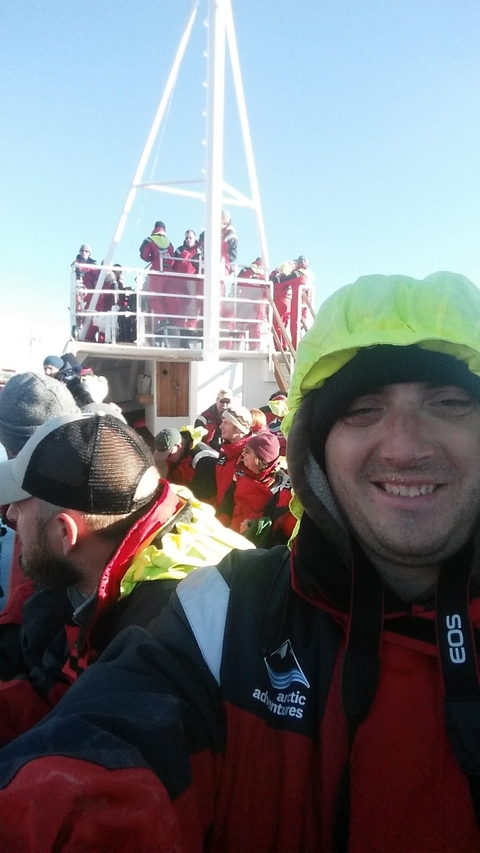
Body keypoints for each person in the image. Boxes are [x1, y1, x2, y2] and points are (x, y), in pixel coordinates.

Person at [4, 271, 480, 852]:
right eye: (361, 410)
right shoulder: (218, 616)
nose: (405, 446)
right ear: (316, 453)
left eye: (450, 403)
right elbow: (89, 765)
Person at [0, 411, 252, 746]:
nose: (11, 514)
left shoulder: (155, 638)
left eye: (21, 504)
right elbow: (54, 686)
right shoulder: (144, 526)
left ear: (65, 533)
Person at [218, 430, 295, 545]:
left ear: (260, 459)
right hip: (230, 540)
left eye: (248, 452)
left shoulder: (280, 486)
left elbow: (275, 525)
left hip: (256, 546)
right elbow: (225, 509)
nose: (243, 454)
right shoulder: (239, 476)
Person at [153, 426, 218, 502]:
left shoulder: (204, 459)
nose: (167, 459)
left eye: (169, 455)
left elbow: (207, 497)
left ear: (178, 446)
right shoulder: (176, 455)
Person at [139, 221, 175, 330]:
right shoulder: (169, 242)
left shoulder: (150, 240)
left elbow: (143, 254)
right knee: (168, 298)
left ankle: (163, 320)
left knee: (153, 297)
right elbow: (173, 259)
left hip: (157, 270)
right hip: (170, 272)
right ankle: (172, 320)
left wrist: (152, 258)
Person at [270, 254, 311, 349]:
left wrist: (274, 274)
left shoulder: (297, 274)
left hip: (296, 300)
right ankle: (296, 346)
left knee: (294, 324)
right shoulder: (308, 274)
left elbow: (282, 280)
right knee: (299, 324)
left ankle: (294, 348)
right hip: (304, 302)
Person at [215, 404, 253, 506]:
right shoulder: (225, 451)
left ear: (239, 429)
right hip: (220, 514)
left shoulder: (250, 456)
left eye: (226, 423)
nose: (220, 426)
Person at [235, 257, 269, 350]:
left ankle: (235, 345)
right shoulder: (264, 273)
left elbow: (236, 283)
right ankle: (254, 347)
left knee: (239, 325)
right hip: (257, 304)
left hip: (243, 302)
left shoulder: (246, 270)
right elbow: (267, 290)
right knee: (255, 325)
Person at [195, 387, 234, 452]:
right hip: (208, 454)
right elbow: (197, 443)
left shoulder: (233, 418)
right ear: (216, 400)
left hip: (226, 453)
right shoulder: (203, 418)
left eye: (227, 402)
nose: (224, 405)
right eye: (222, 401)